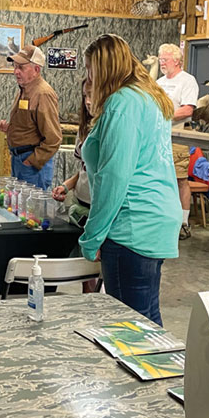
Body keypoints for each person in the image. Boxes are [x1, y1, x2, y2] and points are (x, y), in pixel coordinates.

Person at [79, 34, 181, 326]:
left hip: (132, 224)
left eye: (90, 70)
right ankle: (162, 371)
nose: (88, 78)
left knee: (128, 326)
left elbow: (115, 177)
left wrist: (93, 235)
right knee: (147, 319)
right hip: (156, 218)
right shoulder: (149, 97)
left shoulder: (121, 103)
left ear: (103, 68)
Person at [0, 45, 61, 190]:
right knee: (20, 208)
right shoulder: (24, 90)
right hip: (19, 159)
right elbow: (30, 125)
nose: (16, 72)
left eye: (21, 68)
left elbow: (53, 138)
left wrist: (32, 161)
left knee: (34, 210)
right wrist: (10, 130)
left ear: (36, 70)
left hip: (32, 164)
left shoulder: (43, 94)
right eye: (15, 67)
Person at [155, 43, 199, 240]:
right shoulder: (158, 82)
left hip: (178, 136)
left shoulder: (187, 81)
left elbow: (188, 110)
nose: (161, 63)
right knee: (158, 178)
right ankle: (160, 218)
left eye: (165, 59)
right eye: (160, 59)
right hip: (158, 137)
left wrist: (165, 115)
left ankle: (183, 223)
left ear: (177, 60)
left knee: (180, 179)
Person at [52, 79, 92, 228]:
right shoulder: (84, 129)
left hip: (97, 211)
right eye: (85, 96)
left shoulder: (110, 131)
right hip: (79, 205)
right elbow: (85, 170)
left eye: (92, 95)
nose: (88, 101)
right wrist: (66, 186)